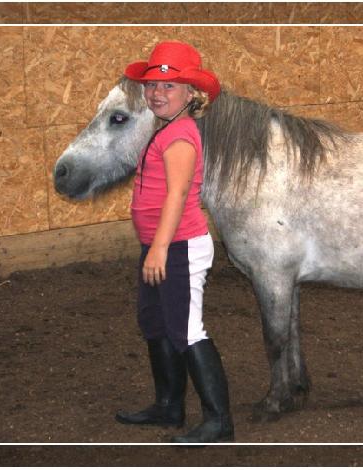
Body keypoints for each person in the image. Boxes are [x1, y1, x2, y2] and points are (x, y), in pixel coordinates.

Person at [114, 41, 233, 444]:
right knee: (156, 323)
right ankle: (169, 406)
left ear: (191, 95)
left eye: (168, 86)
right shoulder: (165, 130)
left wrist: (161, 248)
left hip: (178, 247)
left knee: (187, 329)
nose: (157, 93)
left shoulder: (180, 135)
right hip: (160, 245)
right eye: (152, 86)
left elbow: (178, 196)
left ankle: (219, 422)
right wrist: (154, 246)